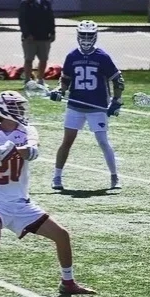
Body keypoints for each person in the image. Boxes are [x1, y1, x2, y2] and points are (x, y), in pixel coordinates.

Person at [0, 90, 96, 297]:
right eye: (16, 106)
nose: (21, 110)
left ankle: (68, 281)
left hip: (21, 203)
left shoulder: (27, 131)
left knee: (62, 235)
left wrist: (12, 149)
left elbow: (33, 152)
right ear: (3, 110)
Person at [50, 20, 124, 191]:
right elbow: (65, 80)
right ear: (77, 35)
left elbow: (118, 81)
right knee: (67, 141)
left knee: (103, 141)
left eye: (89, 35)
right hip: (75, 105)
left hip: (97, 107)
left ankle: (114, 177)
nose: (86, 38)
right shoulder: (72, 56)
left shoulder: (102, 57)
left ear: (95, 36)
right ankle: (57, 177)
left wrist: (116, 101)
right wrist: (59, 91)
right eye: (83, 34)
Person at [19, 0, 55, 87]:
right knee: (28, 59)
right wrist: (27, 34)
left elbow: (51, 19)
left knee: (43, 59)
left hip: (44, 37)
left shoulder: (46, 3)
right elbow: (22, 20)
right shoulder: (25, 4)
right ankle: (27, 80)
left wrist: (53, 32)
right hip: (30, 39)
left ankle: (40, 79)